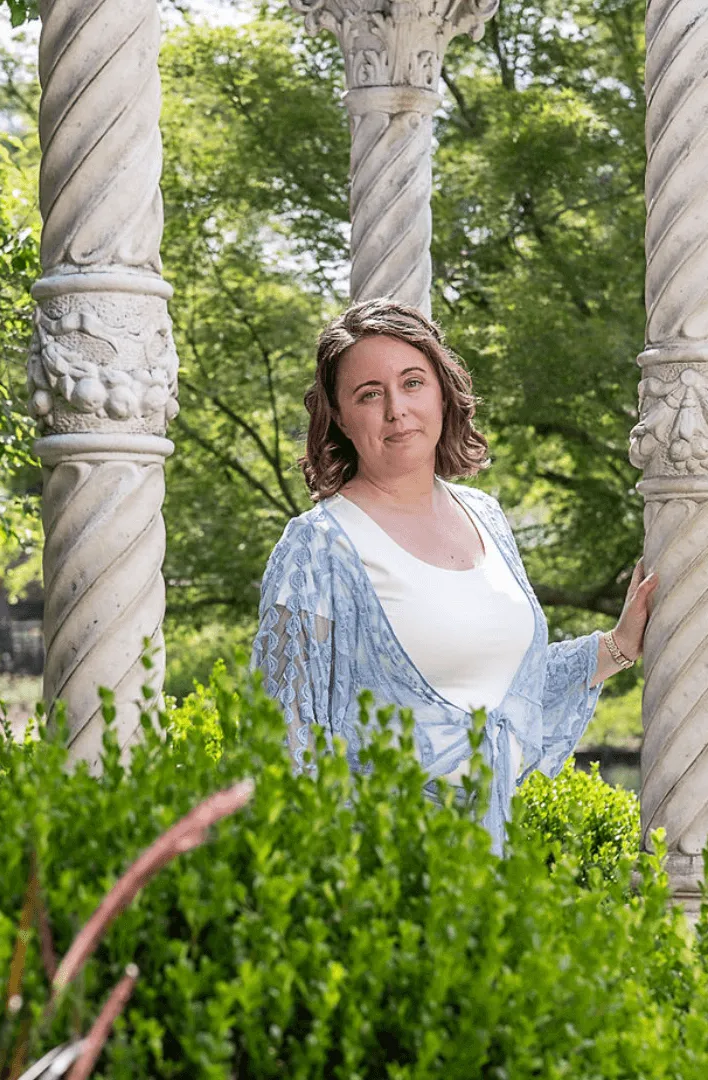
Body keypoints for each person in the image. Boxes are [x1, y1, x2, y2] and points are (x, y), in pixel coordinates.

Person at [251, 298, 658, 854]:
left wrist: (618, 646)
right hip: (378, 861)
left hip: (489, 861)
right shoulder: (317, 547)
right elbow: (286, 734)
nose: (396, 409)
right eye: (369, 394)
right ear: (341, 418)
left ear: (442, 391)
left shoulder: (485, 515)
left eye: (412, 383)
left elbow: (504, 696)